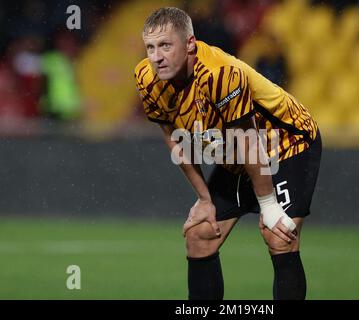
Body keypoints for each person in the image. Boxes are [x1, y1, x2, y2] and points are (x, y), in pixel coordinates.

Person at [134, 7, 321, 300]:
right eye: (151, 47)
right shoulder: (146, 77)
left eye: (166, 45)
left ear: (190, 44)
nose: (156, 56)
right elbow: (174, 137)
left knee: (278, 236)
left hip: (286, 142)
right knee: (200, 234)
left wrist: (269, 206)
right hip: (236, 151)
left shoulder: (221, 74)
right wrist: (204, 199)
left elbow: (249, 140)